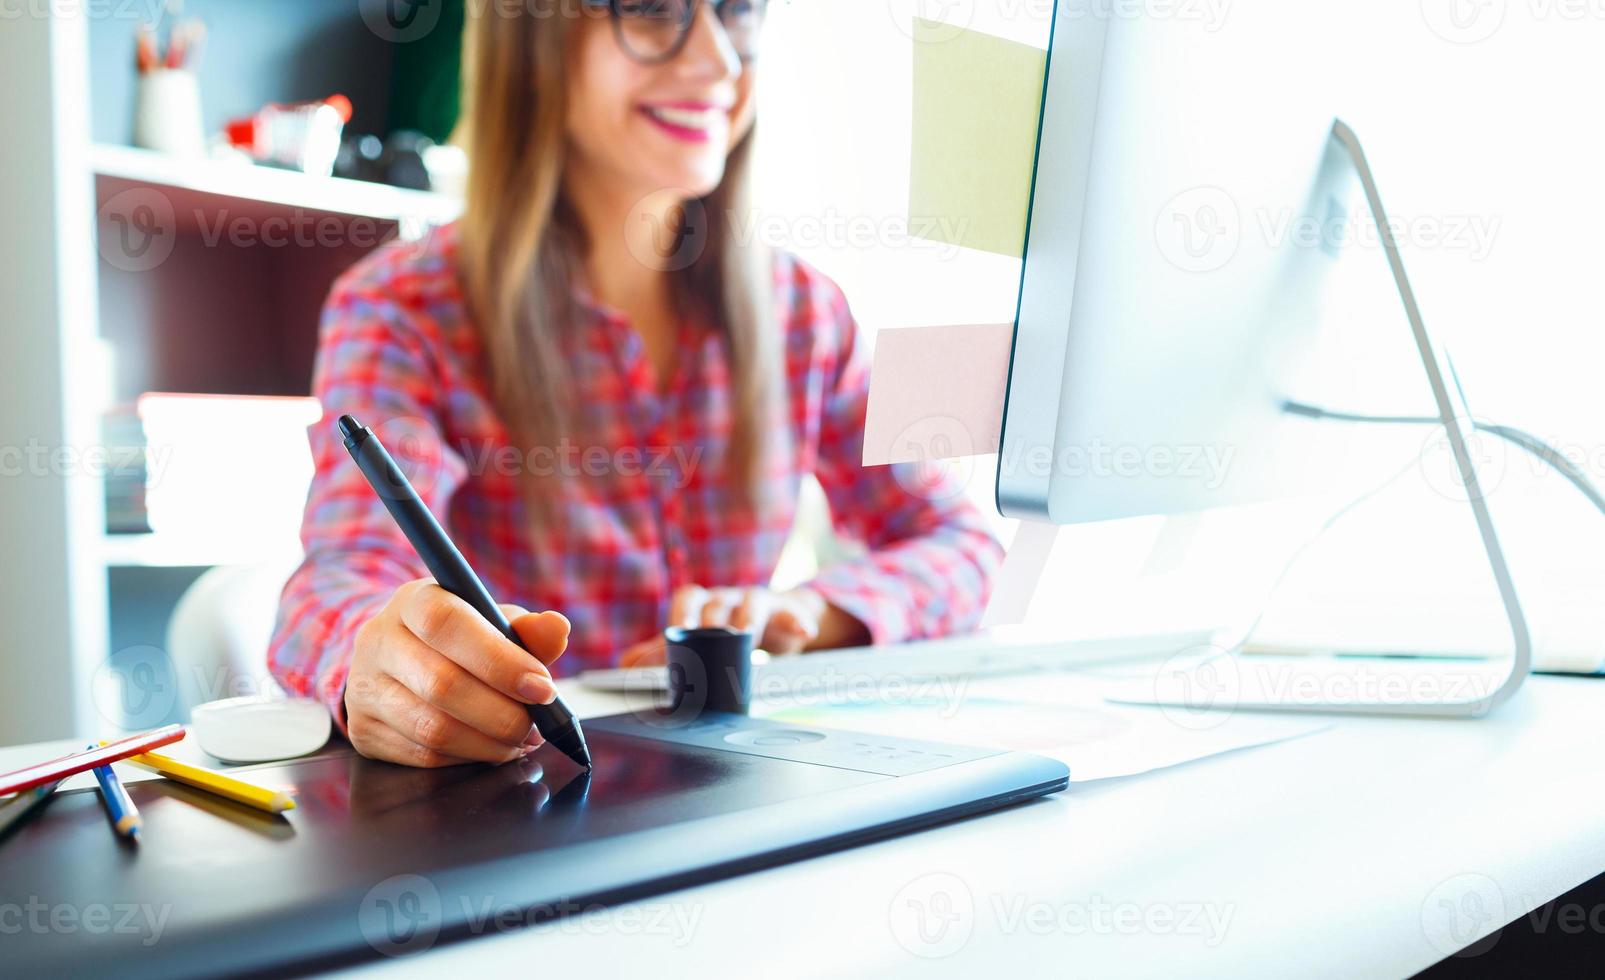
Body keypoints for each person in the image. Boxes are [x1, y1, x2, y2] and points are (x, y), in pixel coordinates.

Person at [268, 0, 1002, 768]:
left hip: (735, 799)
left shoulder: (805, 310)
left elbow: (962, 542)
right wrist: (379, 662)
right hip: (529, 809)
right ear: (533, 39)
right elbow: (333, 587)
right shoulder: (401, 308)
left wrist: (809, 613)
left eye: (738, 12)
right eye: (653, 9)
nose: (720, 62)